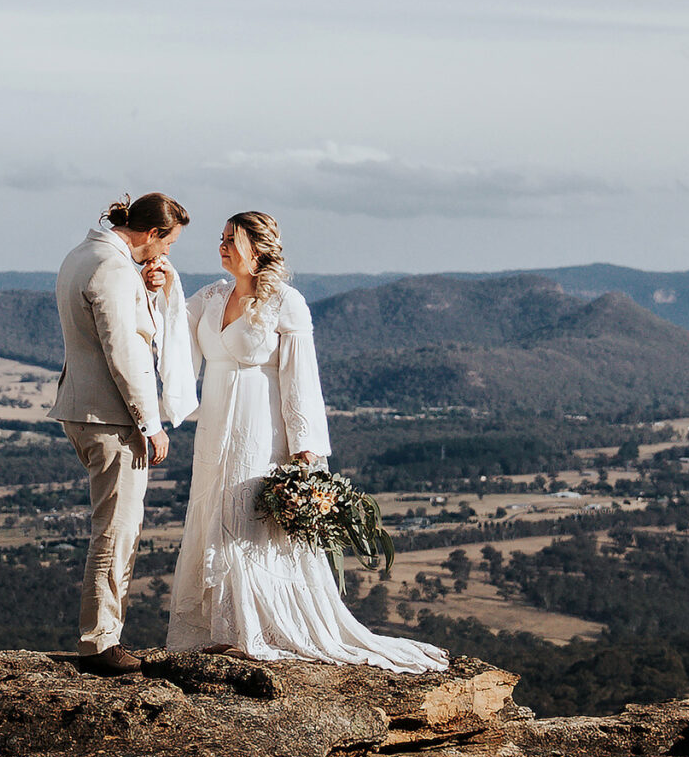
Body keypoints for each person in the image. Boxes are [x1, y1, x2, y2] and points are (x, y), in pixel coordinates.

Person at [167, 210, 445, 672]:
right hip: (214, 427)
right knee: (212, 511)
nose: (221, 246)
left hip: (262, 430)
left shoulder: (286, 302)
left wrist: (305, 451)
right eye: (220, 238)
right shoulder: (211, 297)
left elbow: (301, 380)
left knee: (249, 520)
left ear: (257, 250)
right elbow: (173, 324)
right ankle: (217, 628)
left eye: (231, 239)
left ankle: (255, 628)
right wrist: (159, 284)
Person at [52, 190, 197, 673]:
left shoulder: (84, 255)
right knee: (116, 529)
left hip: (82, 407)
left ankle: (103, 636)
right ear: (152, 234)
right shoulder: (112, 270)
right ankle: (100, 643)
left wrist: (148, 288)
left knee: (113, 525)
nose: (167, 254)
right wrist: (150, 424)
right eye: (169, 244)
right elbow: (125, 354)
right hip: (112, 418)